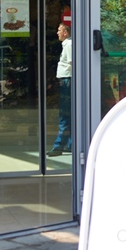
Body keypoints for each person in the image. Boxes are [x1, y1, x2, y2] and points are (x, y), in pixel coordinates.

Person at [48, 23, 72, 156]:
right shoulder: (67, 44)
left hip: (67, 80)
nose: (57, 33)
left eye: (59, 30)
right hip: (67, 80)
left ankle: (59, 146)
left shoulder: (69, 44)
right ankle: (70, 144)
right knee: (68, 113)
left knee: (65, 113)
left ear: (65, 33)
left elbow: (72, 63)